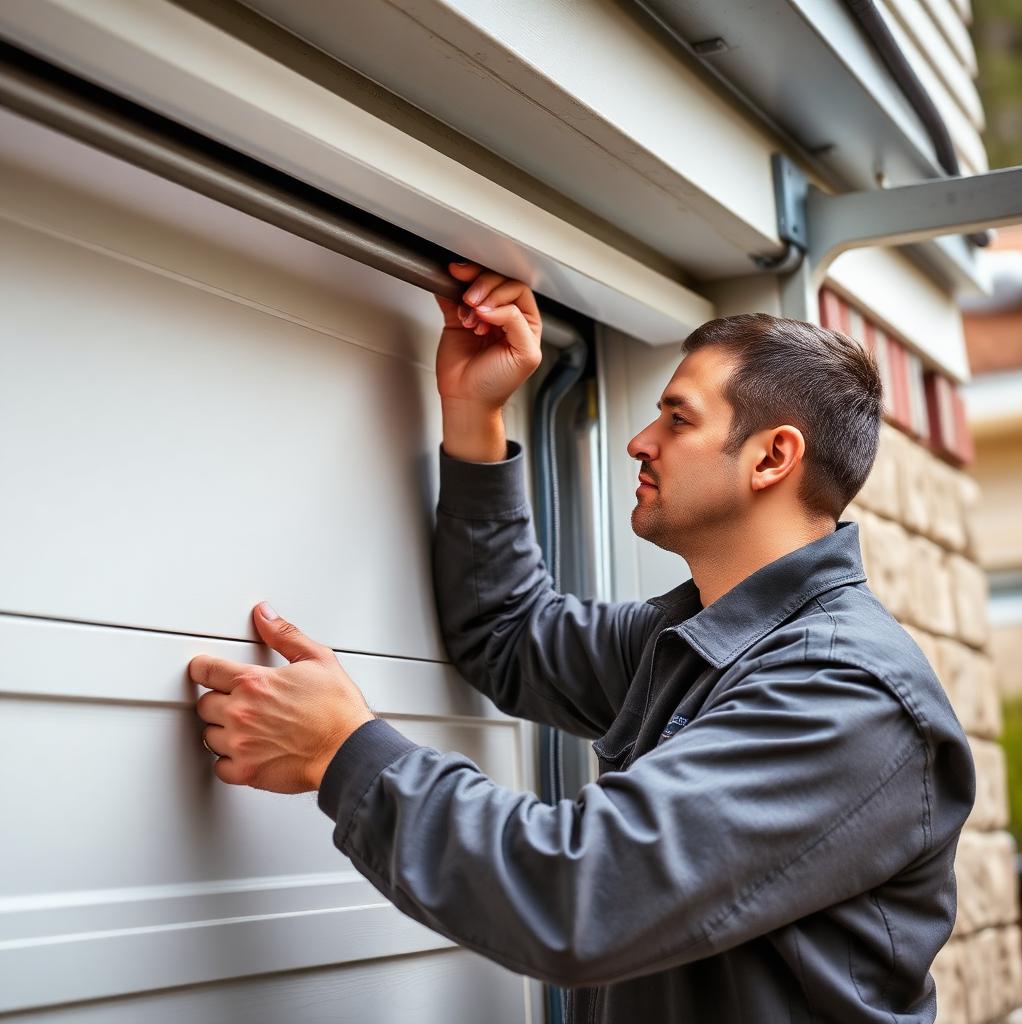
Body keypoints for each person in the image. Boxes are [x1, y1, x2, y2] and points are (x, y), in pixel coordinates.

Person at [190, 261, 975, 1023]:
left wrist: (342, 750)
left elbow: (582, 894)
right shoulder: (694, 645)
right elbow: (508, 634)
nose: (640, 441)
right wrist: (474, 413)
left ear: (773, 456)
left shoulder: (844, 691)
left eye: (677, 417)